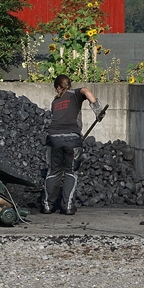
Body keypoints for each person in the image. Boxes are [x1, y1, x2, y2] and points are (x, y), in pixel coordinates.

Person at [41, 74, 105, 215]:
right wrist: (98, 110)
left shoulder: (55, 101)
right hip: (72, 140)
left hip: (53, 139)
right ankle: (68, 206)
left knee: (53, 171)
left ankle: (47, 206)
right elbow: (86, 91)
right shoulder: (74, 94)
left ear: (58, 87)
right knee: (71, 172)